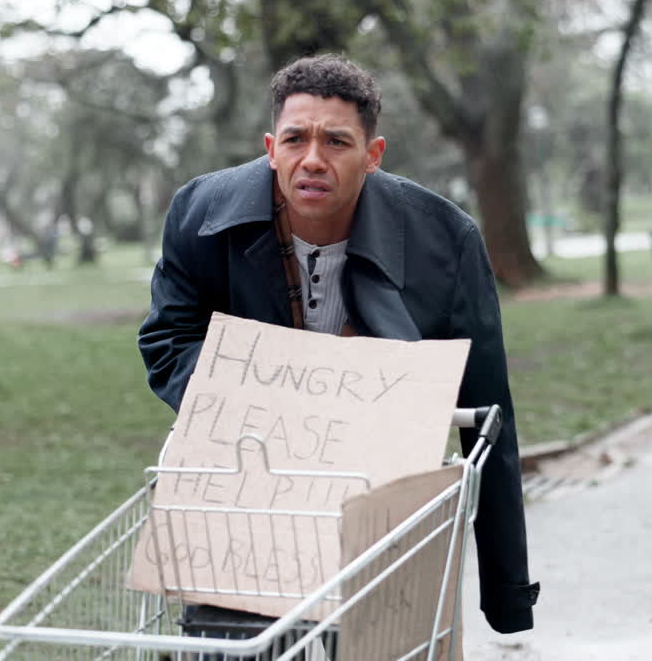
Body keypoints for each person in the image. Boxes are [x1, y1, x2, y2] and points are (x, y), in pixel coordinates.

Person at [138, 54, 539, 635]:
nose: (313, 160)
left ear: (373, 155)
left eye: (337, 142)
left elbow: (488, 412)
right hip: (246, 475)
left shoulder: (445, 239)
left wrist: (507, 596)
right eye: (296, 139)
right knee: (237, 639)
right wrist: (262, 400)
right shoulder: (200, 214)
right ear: (272, 147)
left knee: (374, 635)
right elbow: (168, 339)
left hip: (380, 486)